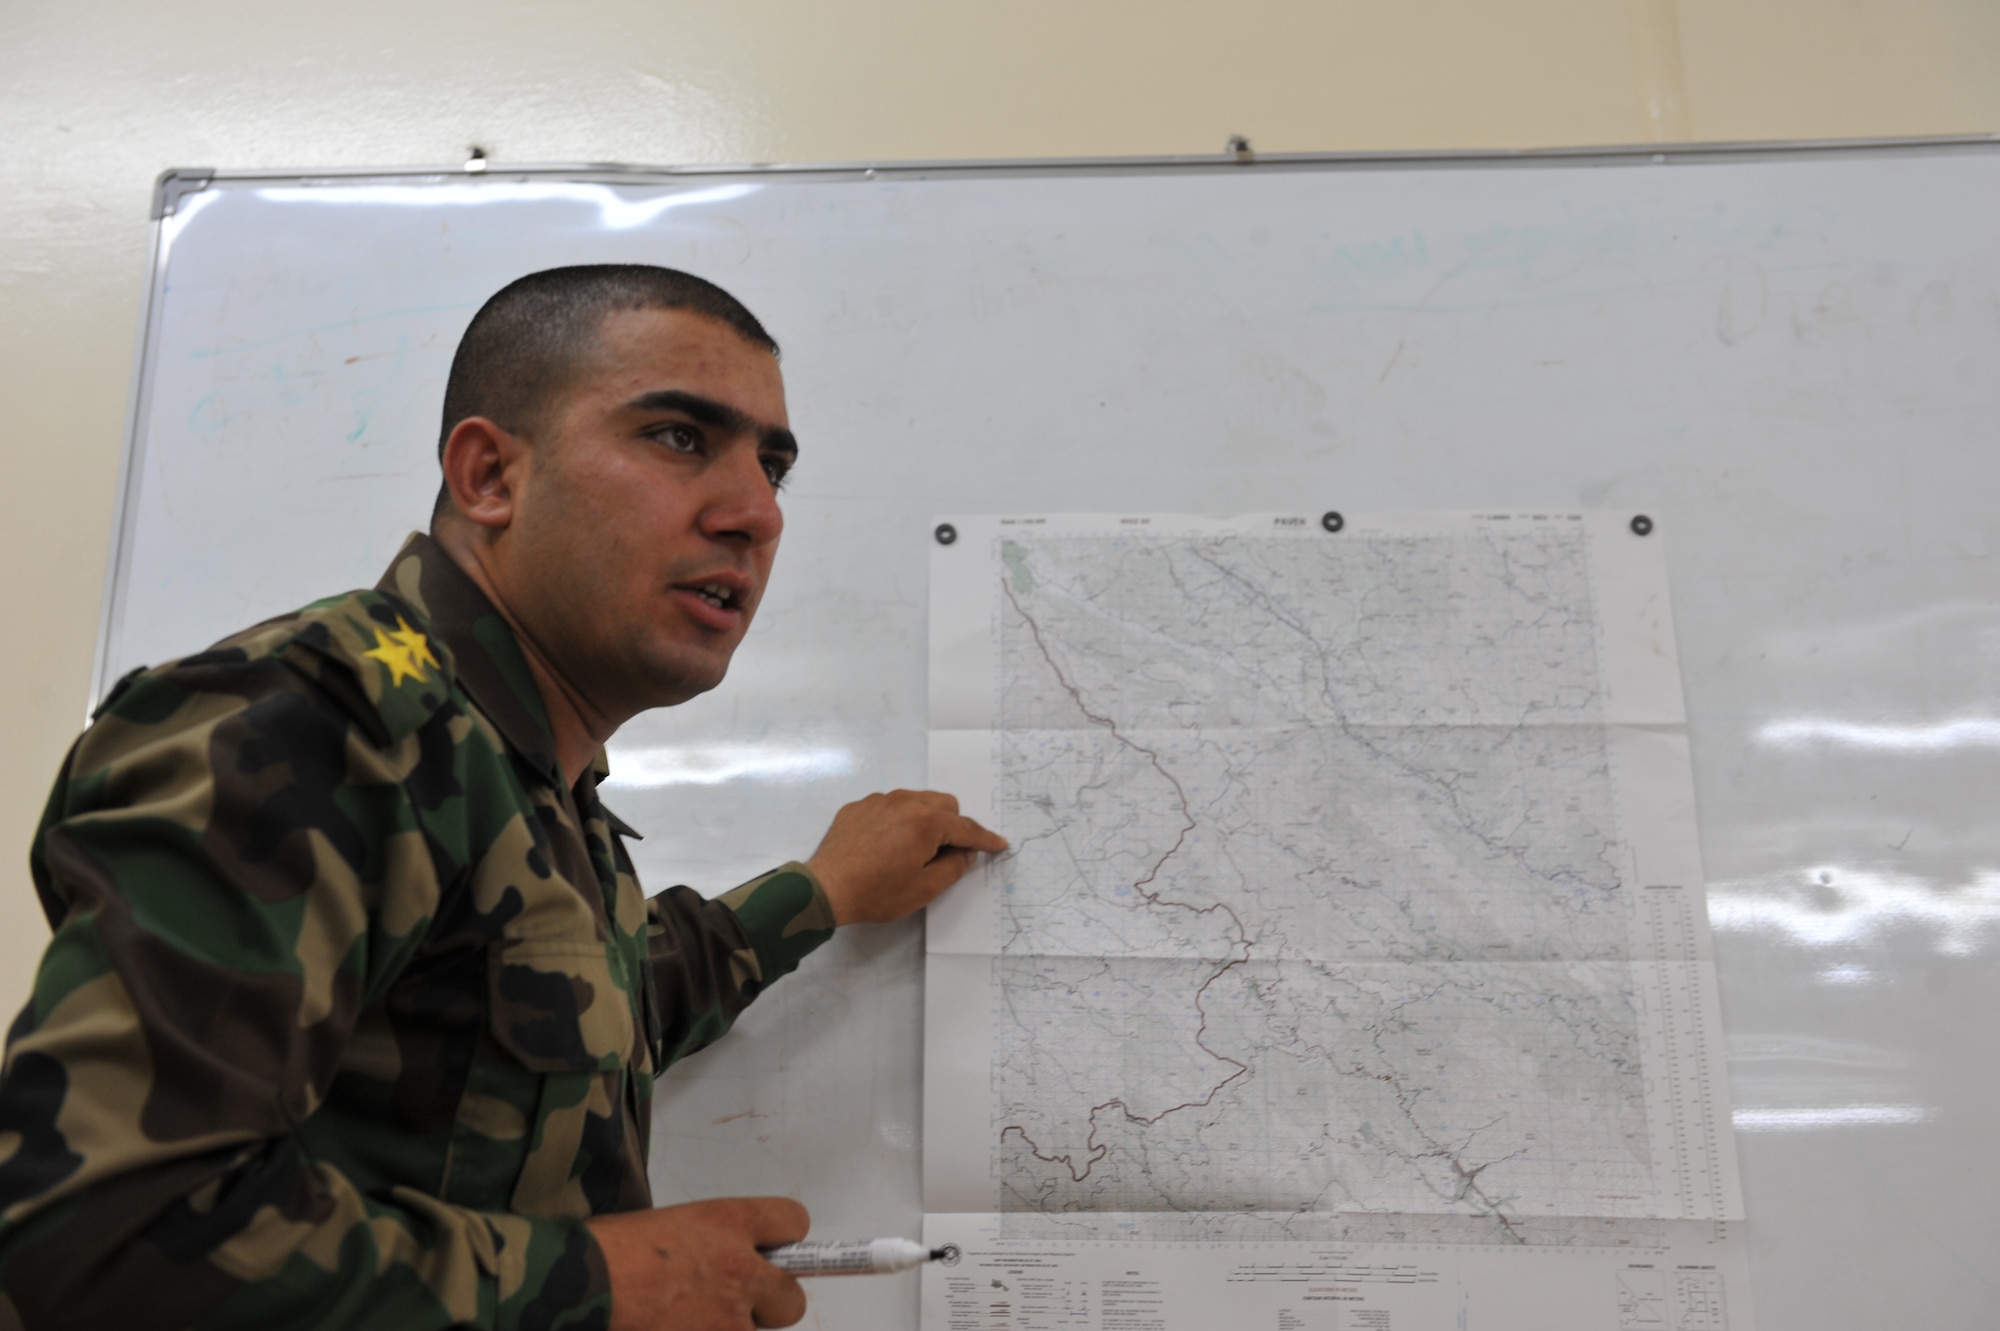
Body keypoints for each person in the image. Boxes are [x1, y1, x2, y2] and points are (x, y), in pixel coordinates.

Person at [0, 265, 1006, 1331]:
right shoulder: (304, 727)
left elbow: (569, 1012)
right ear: (488, 476)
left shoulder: (520, 771)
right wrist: (608, 1282)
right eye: (677, 437)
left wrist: (820, 892)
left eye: (773, 468)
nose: (755, 513)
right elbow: (99, 1233)